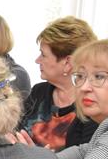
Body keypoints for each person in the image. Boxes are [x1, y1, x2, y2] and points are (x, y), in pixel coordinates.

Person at [15, 16, 97, 150]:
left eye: (43, 55)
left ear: (68, 63)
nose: (37, 60)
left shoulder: (92, 106)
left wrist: (39, 158)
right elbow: (14, 133)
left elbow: (85, 158)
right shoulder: (39, 92)